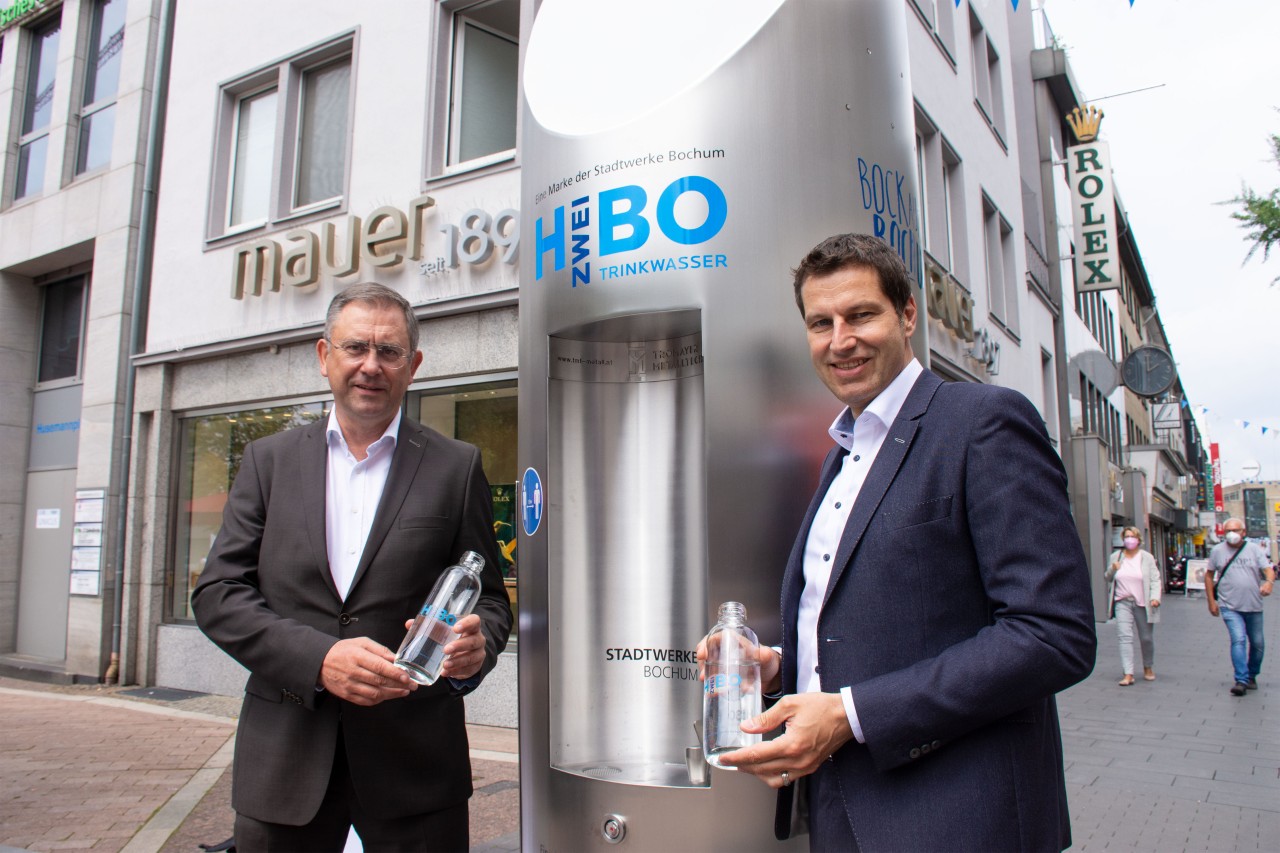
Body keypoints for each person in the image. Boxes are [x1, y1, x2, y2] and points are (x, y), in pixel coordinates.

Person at [707, 234, 1096, 852]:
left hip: (961, 820)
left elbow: (1053, 634)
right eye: (820, 323)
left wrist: (852, 715)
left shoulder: (984, 422)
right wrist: (780, 666)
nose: (840, 340)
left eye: (861, 314)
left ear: (907, 313)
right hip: (842, 812)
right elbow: (879, 617)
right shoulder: (845, 453)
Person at [192, 283, 512, 851]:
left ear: (412, 366)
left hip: (415, 767)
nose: (371, 365)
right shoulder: (269, 462)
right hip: (285, 761)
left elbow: (489, 599)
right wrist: (319, 659)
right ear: (324, 356)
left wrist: (474, 647)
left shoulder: (455, 467)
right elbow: (219, 591)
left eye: (389, 352)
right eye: (355, 347)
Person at [1205, 517, 1275, 696]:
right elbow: (1209, 575)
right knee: (1239, 640)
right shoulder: (1217, 551)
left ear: (1243, 532)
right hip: (1229, 605)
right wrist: (1211, 601)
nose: (1231, 534)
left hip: (1253, 605)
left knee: (1258, 644)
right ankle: (1241, 680)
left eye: (1235, 530)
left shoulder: (1254, 550)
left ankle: (1252, 675)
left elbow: (1268, 569)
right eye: (1228, 530)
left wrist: (1268, 583)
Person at [1105, 526, 1161, 685]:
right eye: (1127, 536)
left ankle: (1148, 666)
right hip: (1122, 601)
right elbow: (1107, 577)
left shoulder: (1146, 558)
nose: (1129, 539)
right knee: (1124, 637)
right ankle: (1128, 673)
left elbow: (1155, 579)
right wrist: (1112, 569)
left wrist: (1155, 597)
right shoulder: (1116, 556)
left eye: (1132, 536)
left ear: (1138, 540)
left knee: (1146, 638)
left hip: (1143, 603)